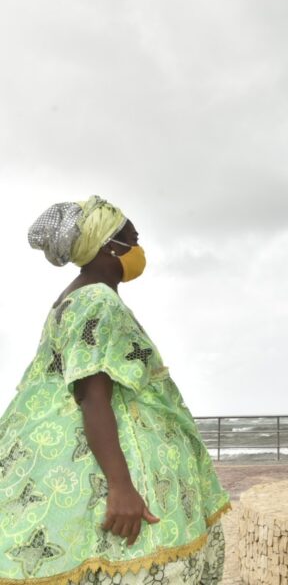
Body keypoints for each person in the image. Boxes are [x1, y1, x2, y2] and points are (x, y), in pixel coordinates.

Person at [0, 196, 230, 583]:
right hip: (103, 452)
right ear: (108, 246)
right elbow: (92, 395)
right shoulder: (96, 301)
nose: (139, 251)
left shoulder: (71, 298)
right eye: (132, 240)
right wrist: (121, 487)